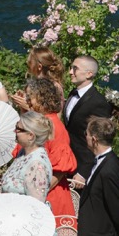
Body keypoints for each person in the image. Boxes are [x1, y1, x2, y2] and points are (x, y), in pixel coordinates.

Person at [14, 78, 77, 225]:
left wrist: (37, 195)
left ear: (42, 98)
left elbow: (59, 171)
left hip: (49, 196)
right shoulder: (39, 122)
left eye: (30, 96)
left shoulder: (54, 127)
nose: (27, 99)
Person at [64, 55, 113, 183]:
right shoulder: (72, 94)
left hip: (81, 167)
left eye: (75, 69)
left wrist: (84, 172)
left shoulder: (98, 102)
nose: (70, 72)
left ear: (89, 74)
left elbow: (99, 139)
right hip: (67, 160)